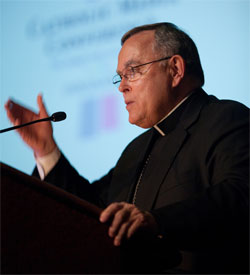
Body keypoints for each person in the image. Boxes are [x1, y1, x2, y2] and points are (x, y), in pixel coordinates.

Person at [5, 22, 249, 274]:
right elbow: (92, 212)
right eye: (120, 77)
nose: (122, 86)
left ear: (175, 69)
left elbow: (240, 196)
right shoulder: (136, 150)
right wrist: (47, 150)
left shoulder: (226, 118)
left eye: (132, 71)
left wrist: (157, 222)